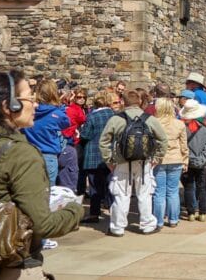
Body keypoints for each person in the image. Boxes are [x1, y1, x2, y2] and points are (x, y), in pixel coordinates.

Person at [0, 70, 83, 279]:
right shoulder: (21, 155)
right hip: (10, 267)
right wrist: (74, 210)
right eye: (30, 98)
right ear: (8, 106)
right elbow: (43, 224)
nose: (36, 104)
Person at [99, 88, 168, 236]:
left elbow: (104, 142)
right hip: (144, 162)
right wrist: (157, 158)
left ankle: (117, 227)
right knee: (145, 195)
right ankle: (147, 225)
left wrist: (109, 160)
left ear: (123, 101)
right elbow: (163, 140)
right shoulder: (149, 119)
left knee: (121, 195)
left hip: (122, 162)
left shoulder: (116, 119)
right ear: (139, 101)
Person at [22, 79, 70, 190]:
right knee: (47, 190)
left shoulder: (29, 111)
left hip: (29, 154)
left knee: (29, 189)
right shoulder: (56, 113)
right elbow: (66, 123)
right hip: (48, 156)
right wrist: (61, 107)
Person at [78, 91, 116, 224]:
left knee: (94, 187)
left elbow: (85, 135)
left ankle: (94, 214)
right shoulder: (114, 115)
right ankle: (114, 212)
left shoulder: (92, 116)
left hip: (93, 155)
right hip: (110, 155)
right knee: (111, 185)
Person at [151, 97, 188, 227]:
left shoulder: (153, 123)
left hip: (158, 160)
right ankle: (173, 219)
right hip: (176, 159)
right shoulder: (179, 124)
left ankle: (158, 221)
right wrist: (185, 160)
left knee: (159, 192)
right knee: (173, 191)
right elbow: (184, 145)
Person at [181, 98, 206, 221]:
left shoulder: (183, 127)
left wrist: (188, 158)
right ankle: (203, 212)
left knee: (189, 187)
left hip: (188, 161)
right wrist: (203, 159)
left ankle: (191, 213)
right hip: (202, 162)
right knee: (202, 187)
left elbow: (183, 145)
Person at [64, 87, 88, 194]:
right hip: (75, 140)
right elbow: (83, 119)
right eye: (79, 97)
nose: (82, 99)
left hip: (79, 138)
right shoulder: (74, 108)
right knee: (77, 165)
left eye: (84, 97)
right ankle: (78, 189)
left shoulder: (83, 108)